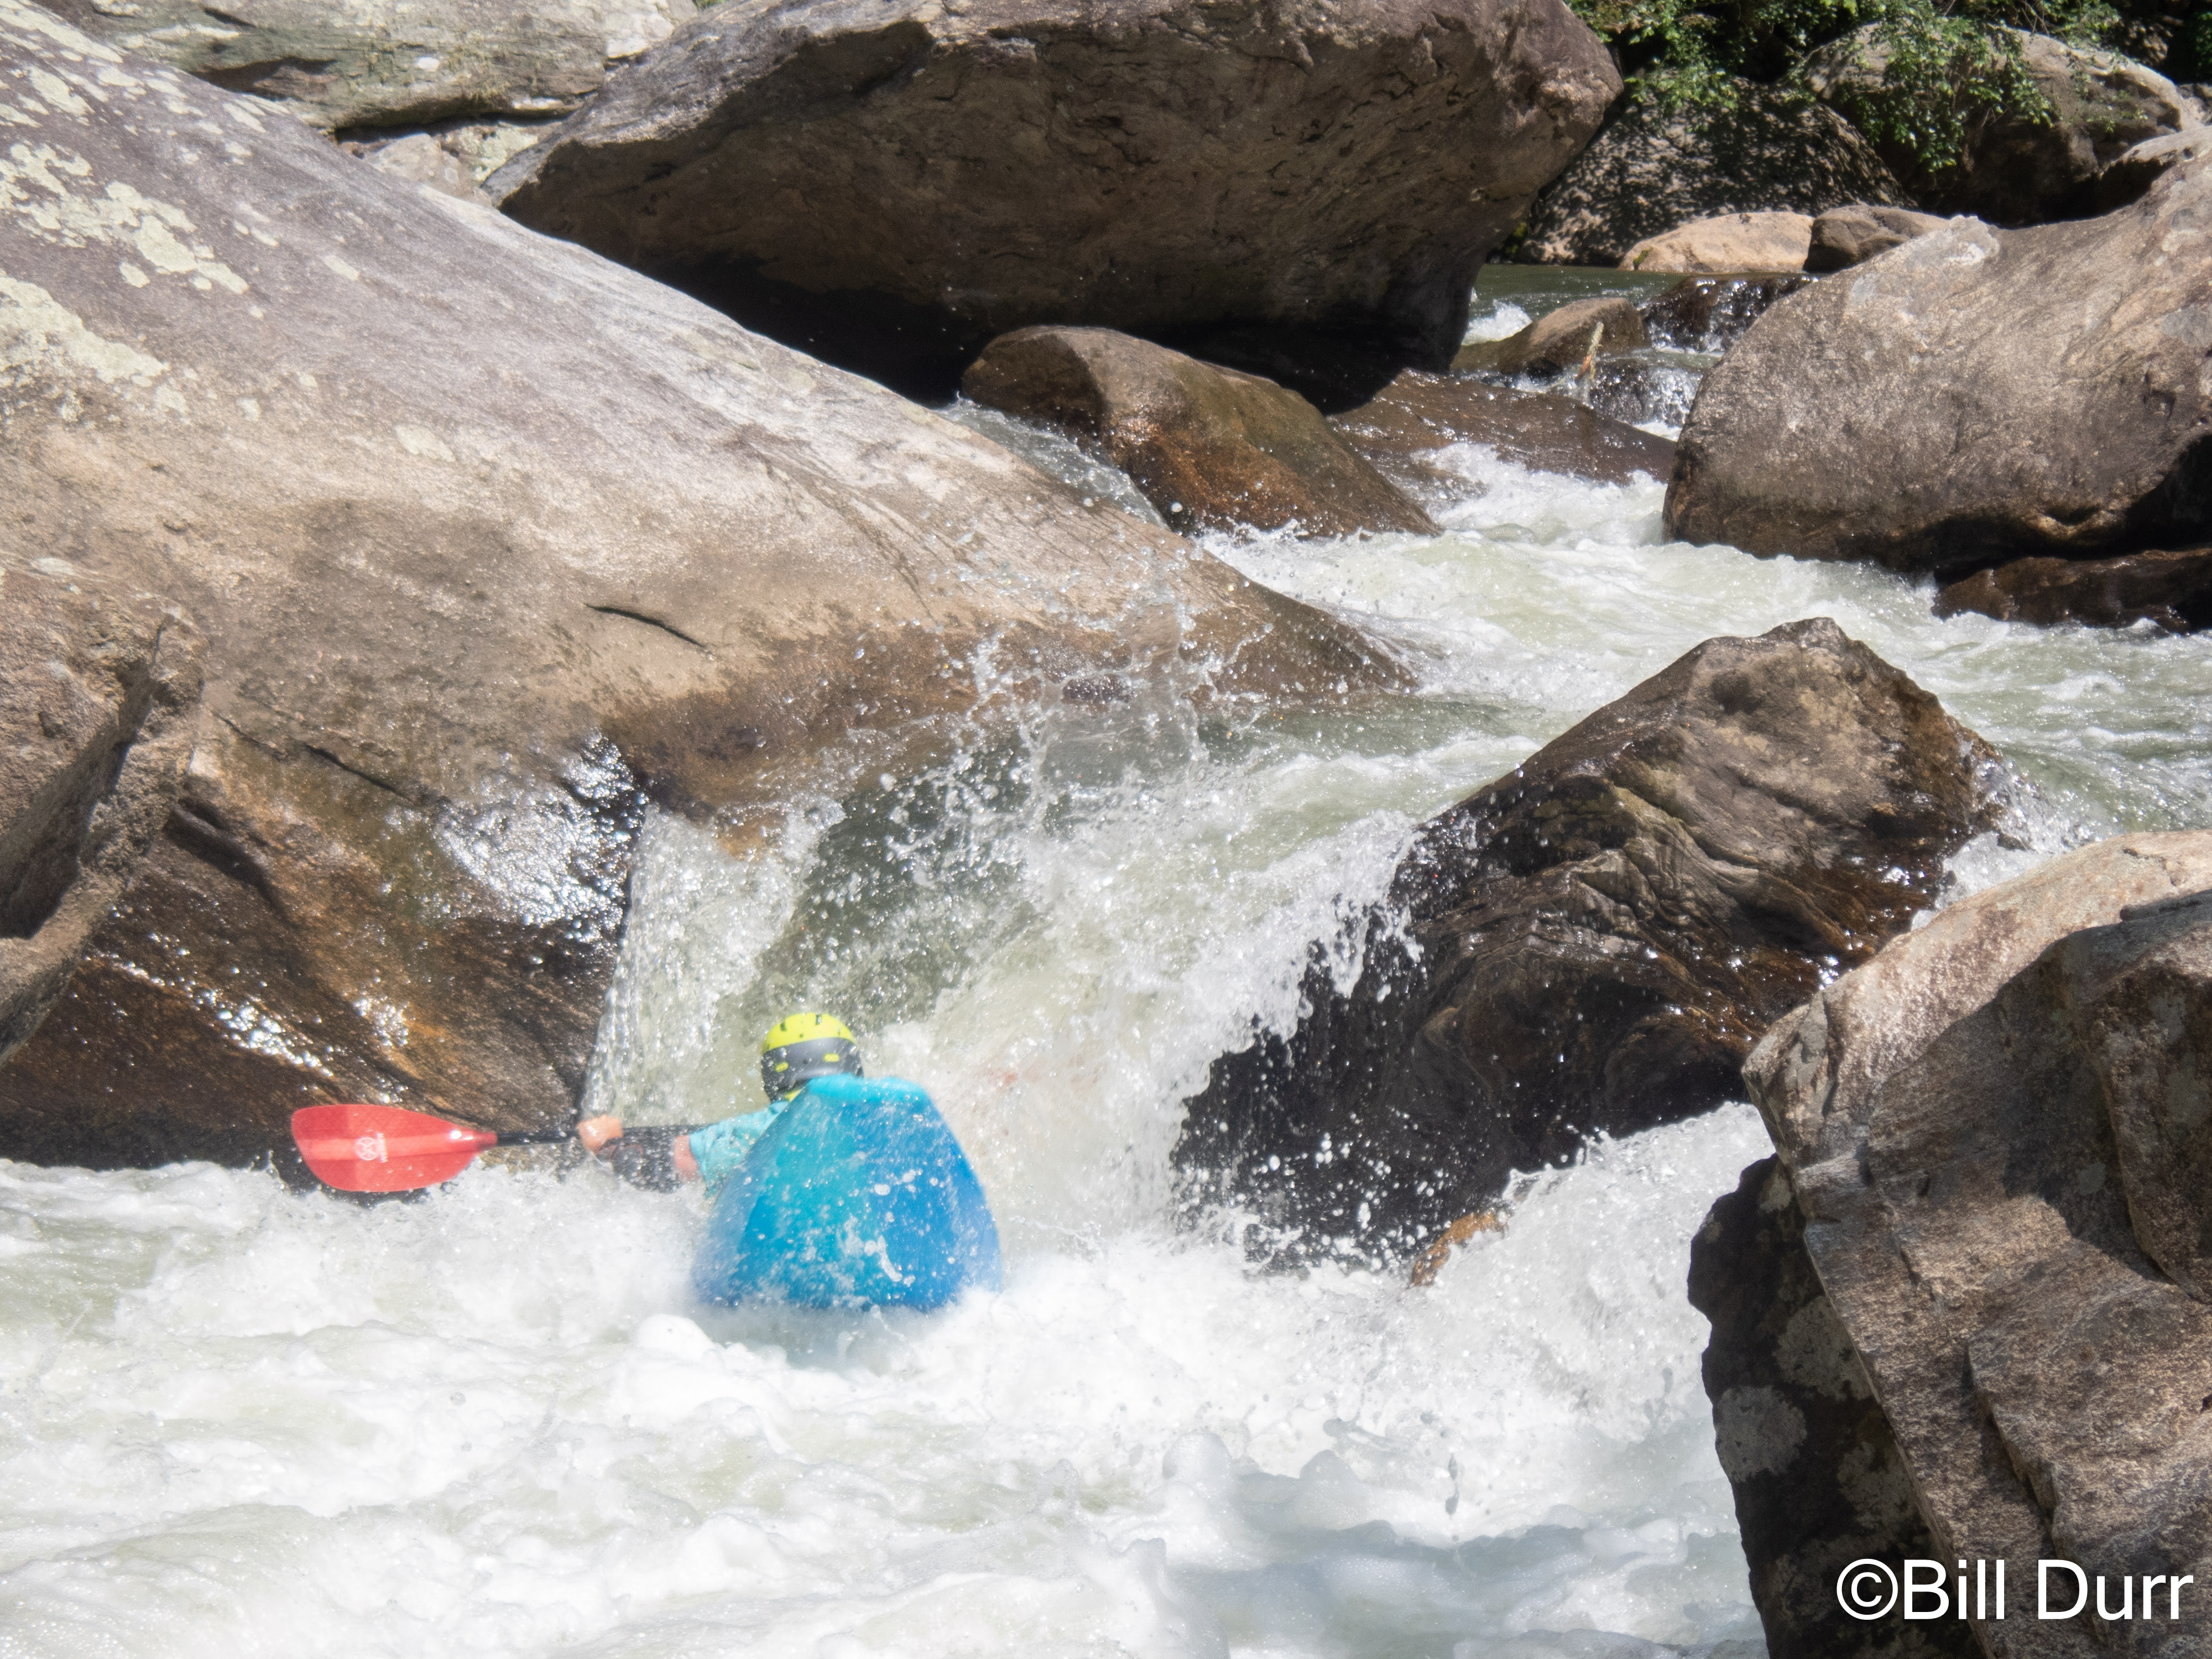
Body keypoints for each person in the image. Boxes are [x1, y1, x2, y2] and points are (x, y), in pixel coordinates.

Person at [577, 1012, 864, 1197]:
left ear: (773, 1075)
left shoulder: (754, 1132)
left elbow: (645, 1165)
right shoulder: (878, 1114)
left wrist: (607, 1143)